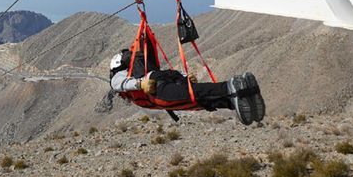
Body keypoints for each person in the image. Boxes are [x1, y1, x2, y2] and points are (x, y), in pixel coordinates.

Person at [109, 46, 265, 125]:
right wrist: (184, 77)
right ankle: (239, 98)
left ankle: (229, 87)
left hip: (157, 90)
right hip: (164, 78)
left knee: (195, 94)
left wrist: (139, 83)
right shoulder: (137, 69)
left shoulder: (118, 75)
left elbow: (119, 84)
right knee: (199, 101)